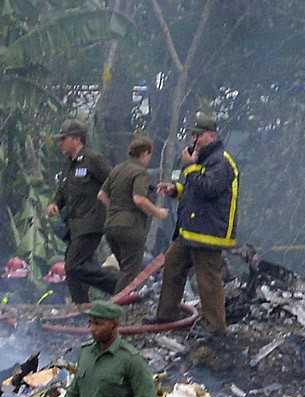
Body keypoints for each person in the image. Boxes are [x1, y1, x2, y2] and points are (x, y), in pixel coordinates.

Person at [154, 114, 241, 335]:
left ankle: (215, 328)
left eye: (198, 135)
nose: (194, 139)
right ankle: (166, 316)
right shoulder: (203, 159)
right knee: (172, 265)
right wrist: (176, 190)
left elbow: (209, 189)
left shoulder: (221, 161)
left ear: (212, 135)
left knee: (208, 280)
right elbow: (195, 191)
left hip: (209, 233)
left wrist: (190, 168)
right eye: (192, 134)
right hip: (191, 230)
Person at [46, 119, 118, 304]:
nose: (60, 143)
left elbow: (113, 182)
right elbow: (64, 189)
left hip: (91, 223)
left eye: (64, 139)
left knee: (73, 266)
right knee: (77, 270)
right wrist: (56, 203)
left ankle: (120, 285)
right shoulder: (70, 164)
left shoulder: (92, 159)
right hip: (74, 225)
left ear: (77, 139)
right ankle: (81, 309)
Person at [97, 136, 169, 293]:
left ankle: (115, 305)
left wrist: (116, 209)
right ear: (144, 153)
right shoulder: (140, 172)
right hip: (130, 228)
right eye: (149, 155)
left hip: (111, 226)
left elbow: (101, 195)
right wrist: (159, 213)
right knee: (130, 272)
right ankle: (116, 309)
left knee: (125, 270)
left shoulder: (117, 169)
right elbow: (139, 199)